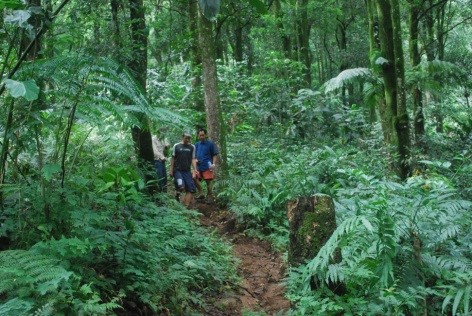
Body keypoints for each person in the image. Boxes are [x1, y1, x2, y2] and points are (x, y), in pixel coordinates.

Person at [169, 131, 198, 207]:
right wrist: (171, 170)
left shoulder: (192, 147)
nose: (187, 140)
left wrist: (195, 169)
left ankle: (186, 207)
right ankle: (177, 194)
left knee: (190, 189)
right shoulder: (176, 146)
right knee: (181, 186)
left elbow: (193, 158)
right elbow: (173, 158)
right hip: (177, 170)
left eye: (189, 138)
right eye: (186, 138)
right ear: (182, 137)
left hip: (187, 171)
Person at [194, 128, 219, 203]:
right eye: (200, 135)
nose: (201, 137)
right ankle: (201, 193)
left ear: (205, 135)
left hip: (207, 166)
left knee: (208, 182)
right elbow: (194, 156)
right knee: (194, 178)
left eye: (203, 135)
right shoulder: (196, 145)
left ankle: (210, 197)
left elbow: (215, 154)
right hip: (198, 166)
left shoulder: (210, 144)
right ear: (198, 136)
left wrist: (213, 164)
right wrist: (195, 160)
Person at [152, 128, 170, 193]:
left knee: (164, 177)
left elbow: (167, 148)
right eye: (161, 132)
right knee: (160, 177)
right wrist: (162, 157)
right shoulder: (153, 139)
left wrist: (167, 147)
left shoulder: (164, 139)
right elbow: (155, 151)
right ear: (158, 132)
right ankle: (160, 193)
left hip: (163, 161)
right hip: (157, 160)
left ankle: (165, 193)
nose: (163, 134)